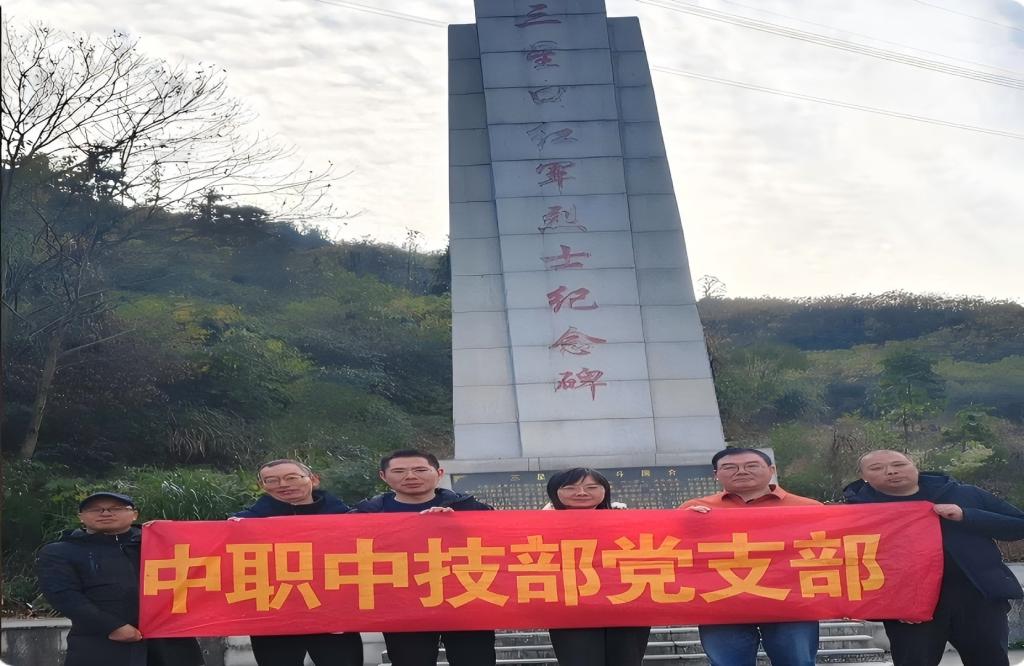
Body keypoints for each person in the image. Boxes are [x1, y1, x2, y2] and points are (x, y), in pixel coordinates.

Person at [843, 449, 1024, 666]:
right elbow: (849, 562)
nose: (891, 472)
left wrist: (966, 515)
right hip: (909, 606)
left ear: (914, 465)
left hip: (977, 597)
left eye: (899, 465)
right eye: (876, 468)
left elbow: (1018, 525)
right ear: (863, 476)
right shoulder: (857, 511)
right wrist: (890, 606)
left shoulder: (964, 494)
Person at [350, 449, 496, 666]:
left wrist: (461, 525)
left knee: (475, 660)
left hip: (466, 599)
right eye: (399, 471)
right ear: (383, 476)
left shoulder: (471, 508)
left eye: (420, 470)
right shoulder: (365, 515)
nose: (410, 476)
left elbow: (502, 544)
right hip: (401, 604)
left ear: (439, 473)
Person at [678, 447, 822, 666]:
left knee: (797, 661)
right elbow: (674, 551)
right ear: (716, 474)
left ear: (771, 470)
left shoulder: (809, 508)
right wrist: (682, 523)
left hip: (792, 601)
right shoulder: (694, 509)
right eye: (730, 467)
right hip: (721, 603)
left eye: (751, 465)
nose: (741, 471)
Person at [36, 491, 205, 666]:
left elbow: (212, 558)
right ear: (81, 517)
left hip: (171, 645)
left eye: (116, 508)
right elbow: (64, 595)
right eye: (95, 509)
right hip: (100, 645)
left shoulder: (163, 544)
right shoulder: (61, 551)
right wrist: (112, 627)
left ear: (134, 514)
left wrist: (173, 533)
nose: (106, 513)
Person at [232, 459, 363, 666]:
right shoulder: (242, 524)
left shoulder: (350, 518)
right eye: (271, 480)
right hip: (274, 614)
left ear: (314, 479)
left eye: (291, 477)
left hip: (334, 613)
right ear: (262, 486)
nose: (283, 485)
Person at [543, 468, 650, 666]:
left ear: (605, 491)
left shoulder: (627, 519)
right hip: (571, 610)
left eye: (591, 487)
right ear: (554, 491)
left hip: (627, 605)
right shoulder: (537, 526)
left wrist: (694, 518)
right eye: (570, 488)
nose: (581, 493)